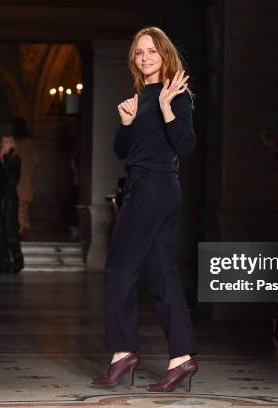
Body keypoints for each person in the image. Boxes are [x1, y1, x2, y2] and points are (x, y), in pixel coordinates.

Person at [91, 27, 198, 392]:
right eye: (139, 53)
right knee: (162, 274)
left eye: (151, 51)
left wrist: (168, 108)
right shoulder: (140, 97)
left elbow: (185, 145)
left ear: (164, 54)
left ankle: (122, 353)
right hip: (154, 188)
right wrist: (126, 122)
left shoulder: (173, 94)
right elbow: (125, 151)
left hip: (153, 189)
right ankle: (181, 359)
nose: (145, 57)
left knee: (119, 268)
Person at [0, 135, 23, 274]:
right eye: (2, 142)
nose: (3, 144)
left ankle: (17, 261)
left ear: (12, 145)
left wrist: (0, 160)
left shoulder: (15, 160)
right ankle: (4, 262)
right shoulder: (0, 160)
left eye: (6, 142)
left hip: (9, 199)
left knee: (10, 231)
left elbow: (10, 180)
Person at [11, 117, 39, 240]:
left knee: (17, 210)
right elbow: (36, 162)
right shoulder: (30, 144)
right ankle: (23, 229)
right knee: (23, 209)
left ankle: (22, 230)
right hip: (26, 182)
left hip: (14, 182)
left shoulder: (12, 143)